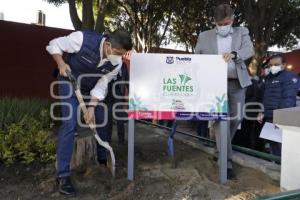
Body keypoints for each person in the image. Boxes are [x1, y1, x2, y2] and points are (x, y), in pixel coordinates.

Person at [46, 30, 133, 196]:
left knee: (101, 118)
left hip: (90, 88)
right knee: (70, 124)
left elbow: (102, 84)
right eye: (118, 53)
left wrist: (91, 107)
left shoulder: (117, 64)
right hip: (69, 82)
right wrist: (61, 63)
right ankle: (63, 176)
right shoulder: (82, 39)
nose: (120, 57)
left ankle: (101, 162)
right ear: (108, 45)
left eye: (123, 54)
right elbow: (54, 44)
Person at [195, 4, 254, 179]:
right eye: (220, 24)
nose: (223, 26)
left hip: (237, 83)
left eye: (226, 23)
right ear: (214, 22)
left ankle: (218, 149)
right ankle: (226, 163)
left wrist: (235, 54)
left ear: (233, 20)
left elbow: (249, 49)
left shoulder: (242, 32)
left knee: (236, 118)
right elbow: (196, 56)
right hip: (215, 85)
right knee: (222, 121)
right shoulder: (204, 36)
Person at [257, 54, 299, 157]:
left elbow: (288, 99)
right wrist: (261, 111)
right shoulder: (268, 78)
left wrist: (280, 117)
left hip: (281, 118)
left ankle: (283, 169)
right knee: (273, 143)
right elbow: (264, 97)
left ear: (284, 65)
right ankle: (276, 165)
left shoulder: (290, 77)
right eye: (271, 65)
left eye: (276, 64)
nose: (272, 67)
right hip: (269, 117)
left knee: (284, 146)